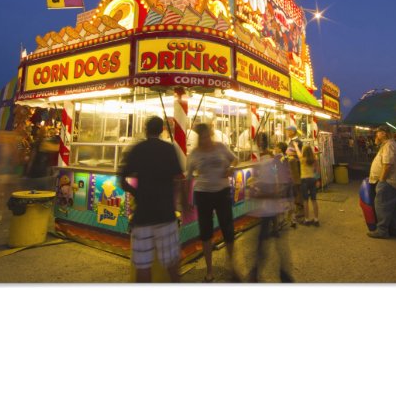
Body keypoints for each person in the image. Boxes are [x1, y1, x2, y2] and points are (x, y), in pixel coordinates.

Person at [118, 116, 186, 283]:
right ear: (162, 130)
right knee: (171, 262)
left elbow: (121, 178)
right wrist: (181, 201)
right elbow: (179, 177)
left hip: (143, 215)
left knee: (143, 265)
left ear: (146, 130)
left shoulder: (137, 149)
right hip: (165, 214)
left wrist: (136, 192)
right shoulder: (169, 149)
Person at [185, 123, 239, 282]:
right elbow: (188, 176)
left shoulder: (221, 147)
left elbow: (235, 160)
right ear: (198, 138)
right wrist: (185, 199)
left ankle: (231, 264)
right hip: (203, 194)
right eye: (202, 137)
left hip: (222, 192)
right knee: (206, 233)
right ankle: (209, 270)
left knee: (228, 229)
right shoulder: (194, 153)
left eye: (208, 135)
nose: (206, 139)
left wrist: (230, 168)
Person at [247, 132, 295, 282]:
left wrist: (259, 193)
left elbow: (275, 183)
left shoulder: (268, 162)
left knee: (266, 243)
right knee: (273, 243)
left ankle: (258, 273)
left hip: (269, 206)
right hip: (268, 207)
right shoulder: (265, 161)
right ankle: (282, 273)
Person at [367, 125, 396, 238]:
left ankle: (382, 230)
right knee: (392, 207)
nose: (376, 135)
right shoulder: (388, 145)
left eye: (378, 133)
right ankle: (395, 230)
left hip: (388, 181)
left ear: (384, 133)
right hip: (392, 182)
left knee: (382, 206)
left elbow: (387, 165)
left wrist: (382, 180)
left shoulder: (388, 145)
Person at [284, 125, 304, 220]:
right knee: (295, 188)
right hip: (292, 168)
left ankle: (301, 209)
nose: (286, 133)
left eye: (288, 131)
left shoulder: (297, 142)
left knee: (297, 187)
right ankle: (297, 207)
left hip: (296, 168)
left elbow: (298, 154)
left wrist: (289, 154)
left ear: (292, 131)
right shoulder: (292, 141)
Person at [300, 144, 320, 226]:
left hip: (304, 180)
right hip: (313, 180)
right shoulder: (314, 160)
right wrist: (318, 180)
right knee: (314, 200)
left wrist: (296, 146)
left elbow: (298, 153)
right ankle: (316, 220)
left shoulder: (302, 159)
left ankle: (307, 220)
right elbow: (317, 171)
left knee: (305, 201)